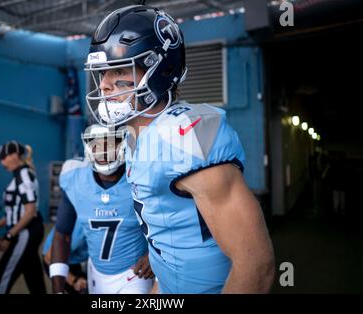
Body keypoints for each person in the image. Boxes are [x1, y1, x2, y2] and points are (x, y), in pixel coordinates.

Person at [85, 5, 275, 293]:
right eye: (102, 73)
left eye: (119, 70)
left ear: (159, 70)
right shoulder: (137, 136)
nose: (105, 86)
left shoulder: (187, 135)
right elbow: (170, 235)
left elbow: (256, 265)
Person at [50, 124, 153, 294]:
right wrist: (58, 290)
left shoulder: (142, 174)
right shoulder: (75, 176)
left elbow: (174, 220)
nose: (102, 150)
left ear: (124, 143)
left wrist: (155, 255)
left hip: (134, 273)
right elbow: (62, 235)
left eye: (111, 143)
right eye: (95, 143)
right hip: (95, 271)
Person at [0, 141, 46, 294]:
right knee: (35, 281)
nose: (2, 162)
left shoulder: (23, 175)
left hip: (25, 233)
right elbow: (15, 212)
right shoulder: (19, 175)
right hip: (25, 231)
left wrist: (8, 236)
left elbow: (29, 212)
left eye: (4, 158)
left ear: (15, 155)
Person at [42, 221, 88, 294]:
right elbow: (49, 258)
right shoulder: (79, 229)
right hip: (54, 260)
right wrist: (74, 281)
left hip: (78, 258)